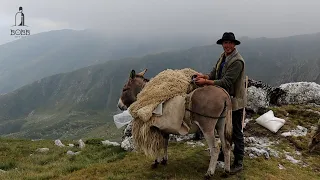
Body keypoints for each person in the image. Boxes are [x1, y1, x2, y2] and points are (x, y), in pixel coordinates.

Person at [194, 32, 247, 174]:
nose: (227, 45)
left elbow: (226, 82)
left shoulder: (237, 61)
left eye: (230, 43)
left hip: (235, 101)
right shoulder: (223, 57)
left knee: (235, 131)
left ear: (234, 44)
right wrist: (204, 76)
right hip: (223, 100)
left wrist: (205, 82)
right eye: (225, 43)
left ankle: (239, 161)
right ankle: (224, 154)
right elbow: (215, 73)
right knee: (222, 129)